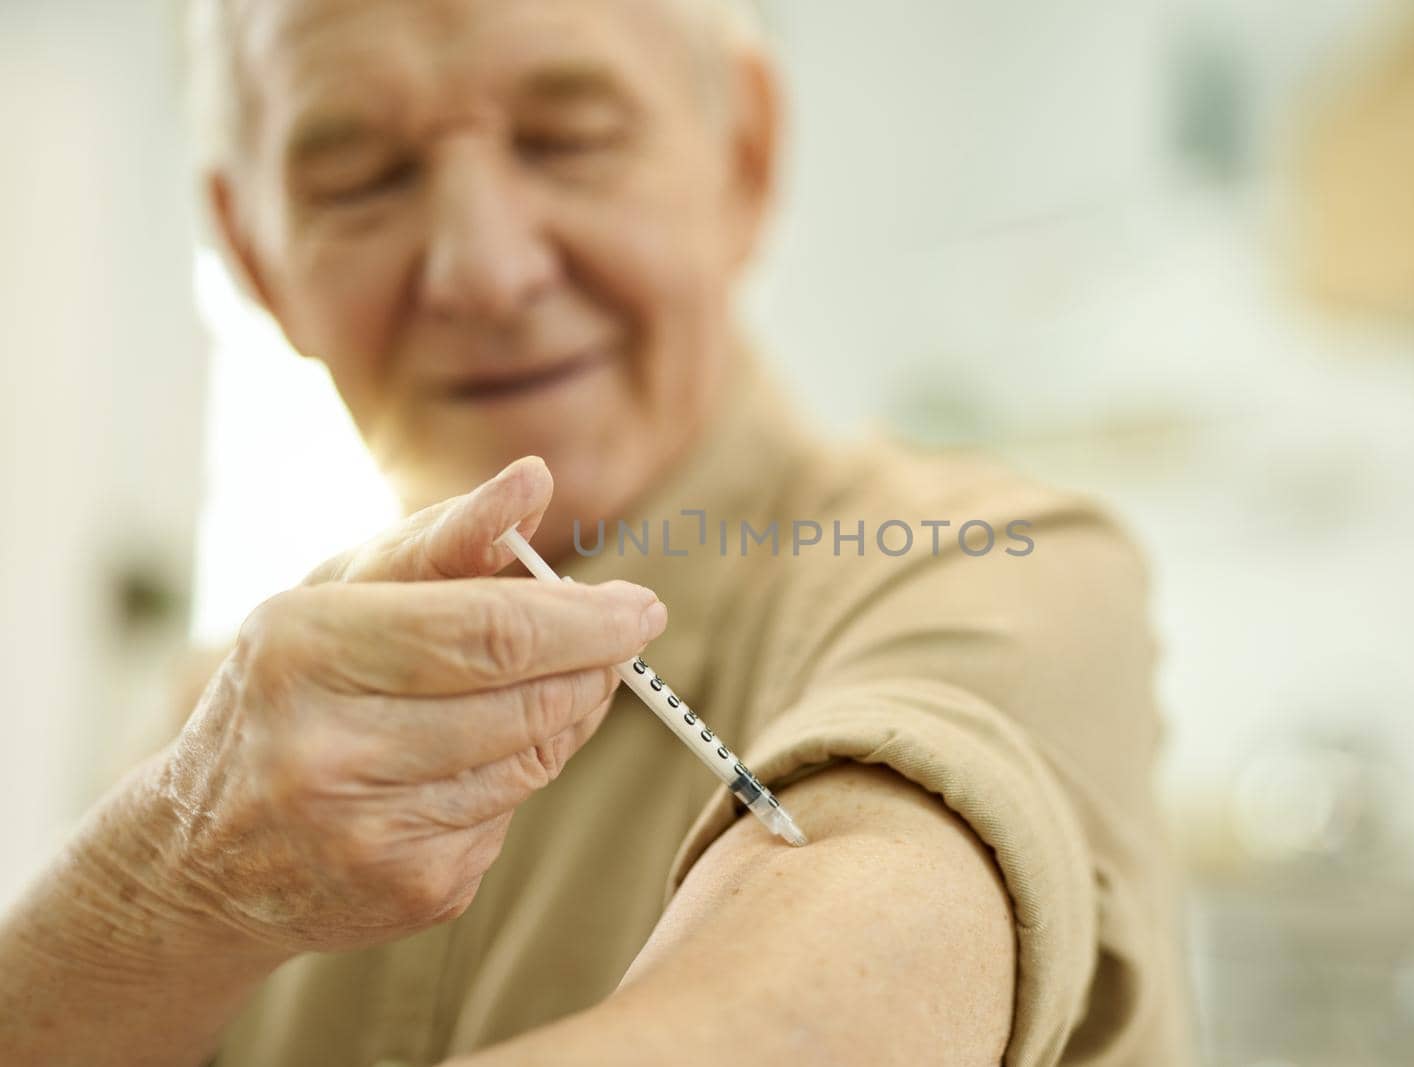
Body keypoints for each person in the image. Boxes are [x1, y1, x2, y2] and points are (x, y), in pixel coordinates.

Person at [0, 0, 1191, 1063]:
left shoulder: (994, 570)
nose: (484, 267)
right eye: (359, 178)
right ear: (256, 252)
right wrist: (161, 877)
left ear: (745, 154)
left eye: (568, 139)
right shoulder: (222, 738)